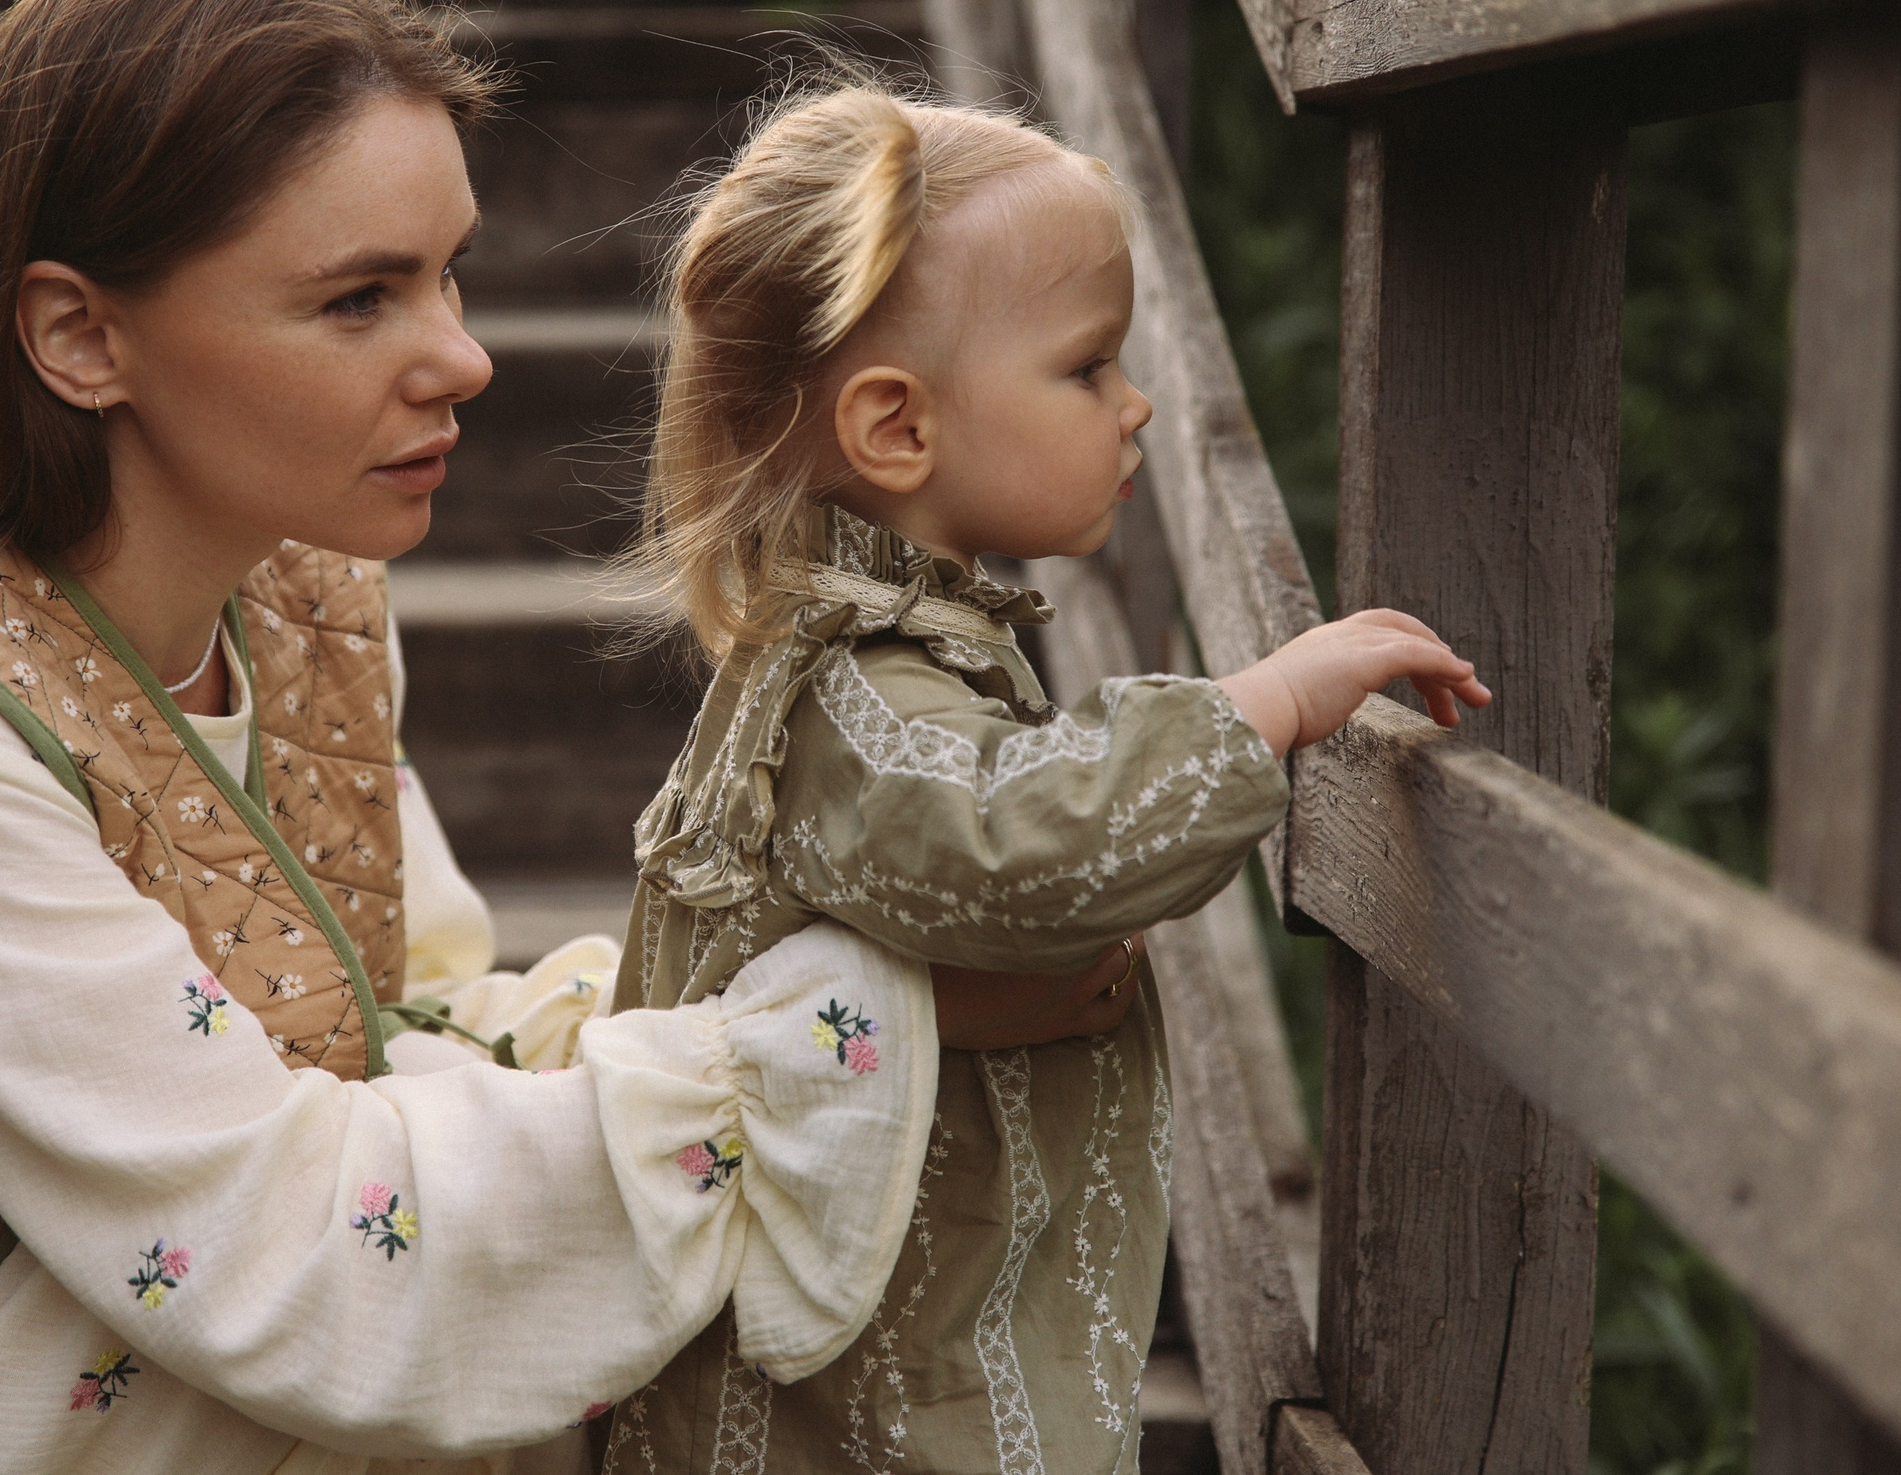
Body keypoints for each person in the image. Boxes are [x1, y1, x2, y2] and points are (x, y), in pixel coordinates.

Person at [0, 0, 1142, 1475]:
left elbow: (396, 1014)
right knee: (272, 1298)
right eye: (357, 300)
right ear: (80, 335)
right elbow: (279, 1248)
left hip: (124, 1261)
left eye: (451, 275)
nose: (462, 358)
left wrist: (803, 1025)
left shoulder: (288, 571)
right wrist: (842, 1042)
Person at [604, 84, 1491, 1473]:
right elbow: (1019, 844)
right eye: (1087, 368)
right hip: (851, 1421)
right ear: (896, 428)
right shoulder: (854, 692)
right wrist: (1265, 705)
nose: (1137, 405)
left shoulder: (892, 650)